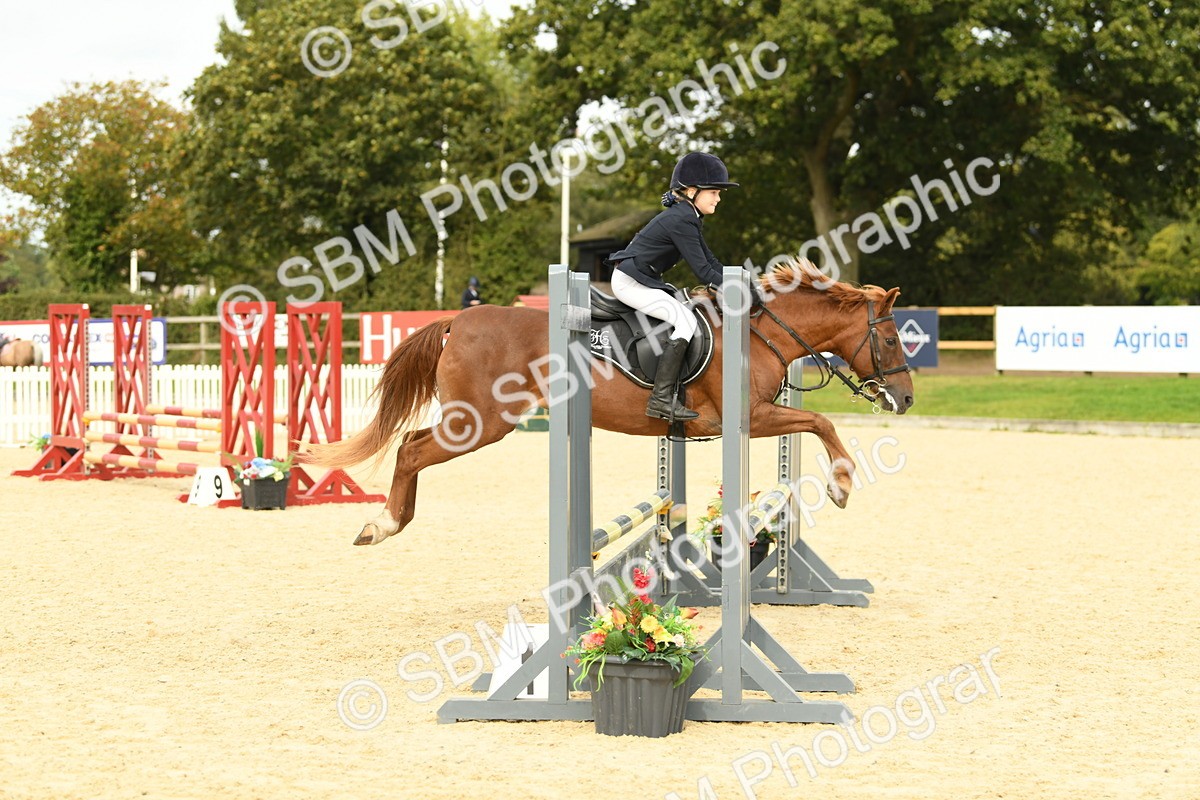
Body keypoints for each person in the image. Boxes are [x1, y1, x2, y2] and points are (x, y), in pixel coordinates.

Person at [605, 151, 761, 421]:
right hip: (630, 283)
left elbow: (710, 261)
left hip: (641, 279)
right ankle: (661, 400)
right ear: (691, 191)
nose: (718, 198)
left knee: (685, 317)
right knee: (686, 321)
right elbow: (703, 271)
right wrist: (739, 289)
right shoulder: (682, 219)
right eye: (713, 192)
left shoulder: (688, 215)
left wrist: (744, 281)